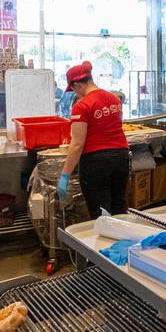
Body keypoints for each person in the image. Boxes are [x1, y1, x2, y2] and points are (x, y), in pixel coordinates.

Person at [57, 61, 129, 218]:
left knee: (100, 213)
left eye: (74, 90)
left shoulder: (82, 106)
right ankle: (121, 234)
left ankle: (104, 236)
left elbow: (77, 144)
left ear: (77, 85)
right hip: (121, 158)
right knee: (119, 208)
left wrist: (65, 175)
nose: (75, 94)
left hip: (96, 162)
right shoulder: (114, 99)